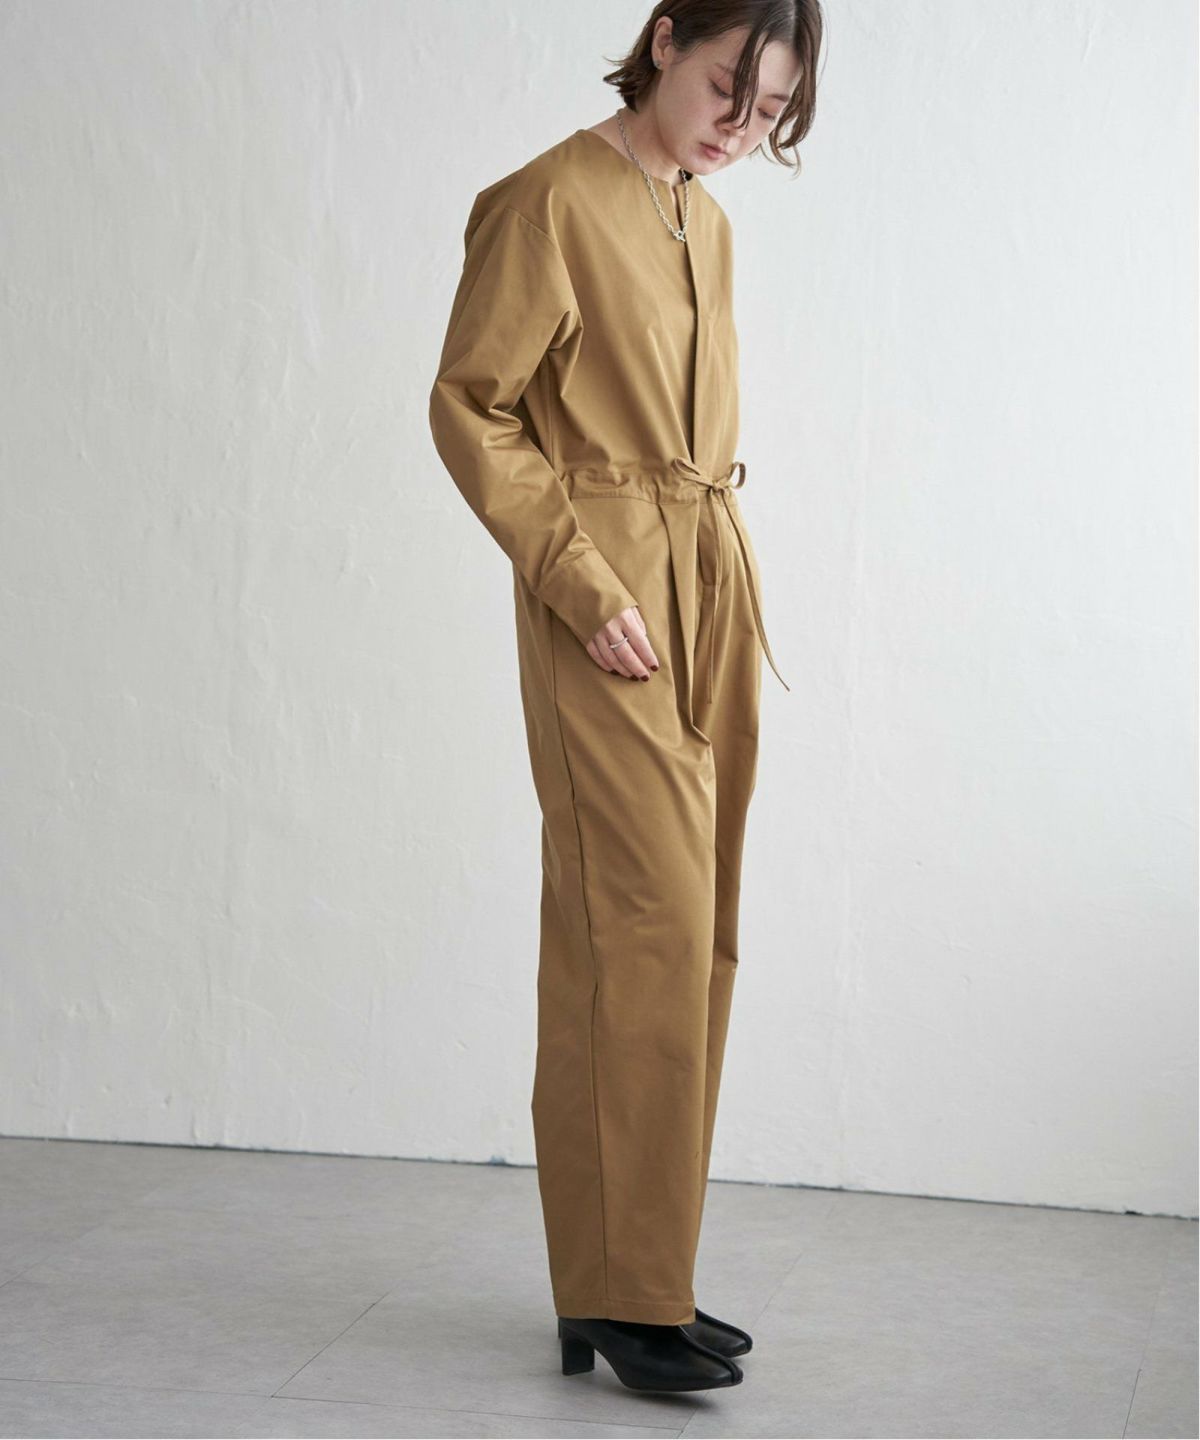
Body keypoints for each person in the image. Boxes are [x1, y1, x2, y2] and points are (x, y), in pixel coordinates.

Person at [428, 0, 821, 1394]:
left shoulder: (706, 220)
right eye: (724, 89)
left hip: (710, 577)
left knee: (698, 930)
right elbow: (471, 405)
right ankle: (617, 1292)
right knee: (637, 925)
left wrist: (706, 579)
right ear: (663, 40)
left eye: (766, 114)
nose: (736, 130)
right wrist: (582, 583)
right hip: (605, 594)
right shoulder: (543, 202)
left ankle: (641, 1274)